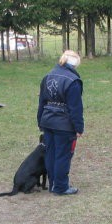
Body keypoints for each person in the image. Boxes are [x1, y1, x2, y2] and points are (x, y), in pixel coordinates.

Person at [37, 50, 84, 195]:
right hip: (64, 125)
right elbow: (75, 108)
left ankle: (52, 184)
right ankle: (61, 187)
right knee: (63, 155)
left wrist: (40, 121)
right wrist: (79, 127)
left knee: (51, 154)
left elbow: (42, 102)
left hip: (48, 122)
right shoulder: (73, 81)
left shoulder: (48, 76)